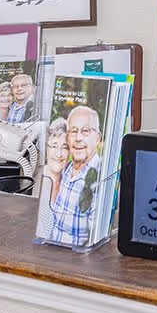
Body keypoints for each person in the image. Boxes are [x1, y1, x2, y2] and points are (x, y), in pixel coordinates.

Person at [47, 105, 103, 247]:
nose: (78, 138)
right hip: (50, 250)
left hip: (74, 261)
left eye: (85, 131)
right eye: (73, 131)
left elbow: (94, 241)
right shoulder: (67, 169)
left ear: (98, 138)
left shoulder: (100, 177)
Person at [41, 118, 69, 204]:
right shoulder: (37, 178)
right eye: (54, 146)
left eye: (64, 147)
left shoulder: (68, 183)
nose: (59, 154)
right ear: (46, 149)